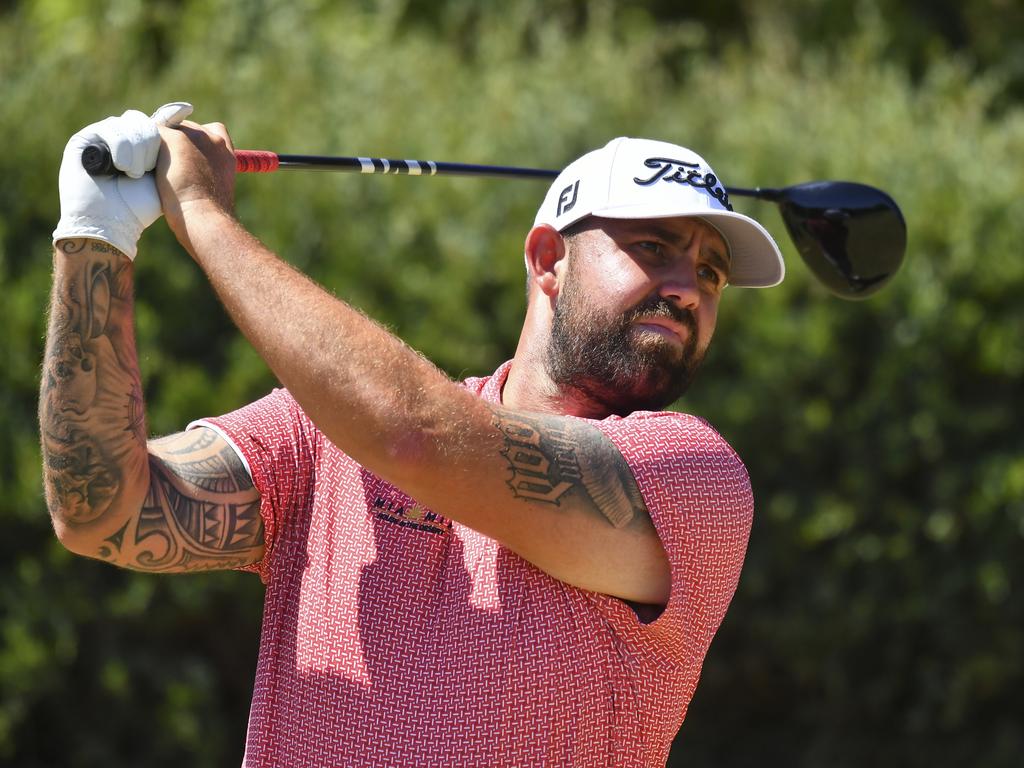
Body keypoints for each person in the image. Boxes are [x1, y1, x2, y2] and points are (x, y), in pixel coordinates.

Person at [40, 102, 784, 767]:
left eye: (711, 272)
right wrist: (93, 240)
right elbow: (103, 509)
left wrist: (202, 213)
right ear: (548, 259)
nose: (688, 286)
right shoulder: (325, 431)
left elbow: (416, 438)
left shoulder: (694, 475)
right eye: (655, 248)